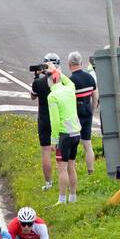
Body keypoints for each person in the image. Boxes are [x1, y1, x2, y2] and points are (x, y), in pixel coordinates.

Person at [46, 64, 80, 203]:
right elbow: (69, 81)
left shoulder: (52, 96)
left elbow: (54, 121)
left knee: (62, 169)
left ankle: (61, 199)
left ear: (51, 81)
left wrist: (53, 141)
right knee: (71, 166)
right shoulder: (70, 89)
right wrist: (56, 70)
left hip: (63, 135)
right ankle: (73, 197)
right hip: (76, 132)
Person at [67, 52, 98, 173]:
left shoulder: (70, 81)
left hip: (75, 115)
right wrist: (92, 109)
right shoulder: (89, 78)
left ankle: (72, 170)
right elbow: (95, 96)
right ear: (81, 63)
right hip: (87, 112)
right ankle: (90, 170)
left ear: (69, 64)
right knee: (87, 144)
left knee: (73, 144)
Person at [30, 55, 54, 190]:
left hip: (44, 118)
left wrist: (36, 77)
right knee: (64, 150)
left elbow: (33, 96)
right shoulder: (62, 81)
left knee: (45, 151)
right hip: (59, 118)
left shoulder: (38, 83)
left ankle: (48, 183)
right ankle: (66, 178)